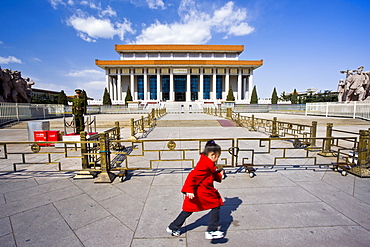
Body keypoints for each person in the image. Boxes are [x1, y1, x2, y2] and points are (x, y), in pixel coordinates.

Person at [167, 140, 225, 240]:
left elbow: (209, 175)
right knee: (216, 205)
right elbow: (192, 176)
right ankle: (212, 231)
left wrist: (219, 175)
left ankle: (173, 227)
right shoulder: (204, 164)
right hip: (200, 192)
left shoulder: (206, 162)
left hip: (199, 192)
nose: (217, 159)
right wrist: (189, 190)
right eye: (217, 156)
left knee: (187, 211)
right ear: (212, 154)